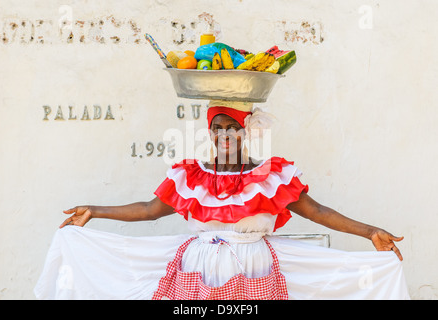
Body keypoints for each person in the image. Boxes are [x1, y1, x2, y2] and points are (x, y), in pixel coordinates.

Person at [35, 100, 409, 300]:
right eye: (219, 128)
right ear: (210, 134)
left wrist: (369, 231)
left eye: (233, 128)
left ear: (244, 132)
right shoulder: (191, 176)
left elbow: (317, 212)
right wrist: (95, 211)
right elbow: (150, 211)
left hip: (254, 265)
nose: (226, 135)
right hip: (200, 266)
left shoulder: (271, 176)